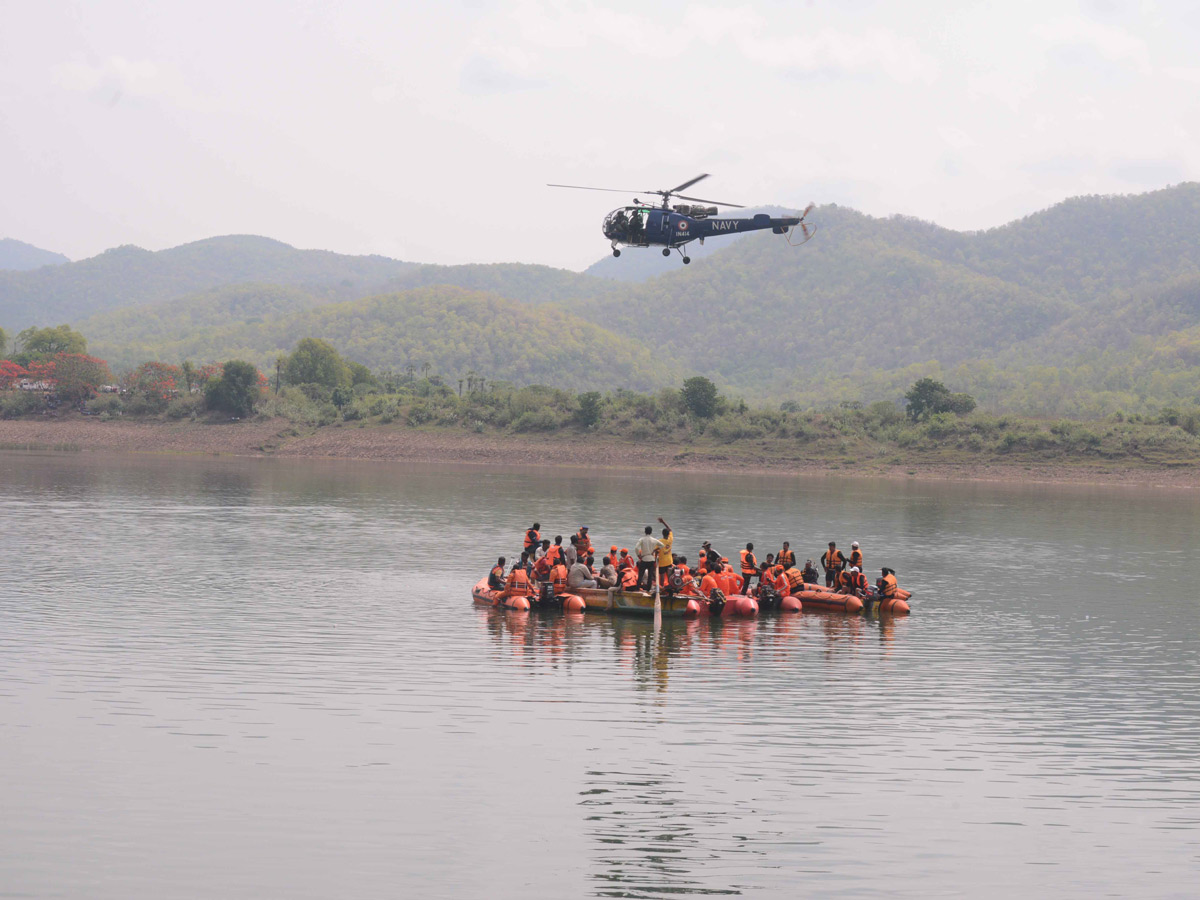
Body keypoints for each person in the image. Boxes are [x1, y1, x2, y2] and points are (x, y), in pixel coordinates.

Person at [635, 525, 664, 591]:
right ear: (651, 532)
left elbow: (636, 548)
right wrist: (655, 550)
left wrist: (638, 555)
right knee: (650, 576)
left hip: (644, 558)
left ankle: (637, 588)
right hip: (651, 559)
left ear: (645, 532)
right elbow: (662, 545)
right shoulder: (654, 540)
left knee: (641, 575)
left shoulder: (642, 539)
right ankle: (648, 589)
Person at [655, 517, 674, 588]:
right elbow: (670, 529)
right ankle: (671, 587)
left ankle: (662, 588)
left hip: (662, 562)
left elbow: (656, 550)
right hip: (669, 561)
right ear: (668, 534)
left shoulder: (659, 542)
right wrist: (663, 522)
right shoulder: (670, 539)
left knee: (662, 576)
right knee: (669, 576)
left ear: (662, 534)